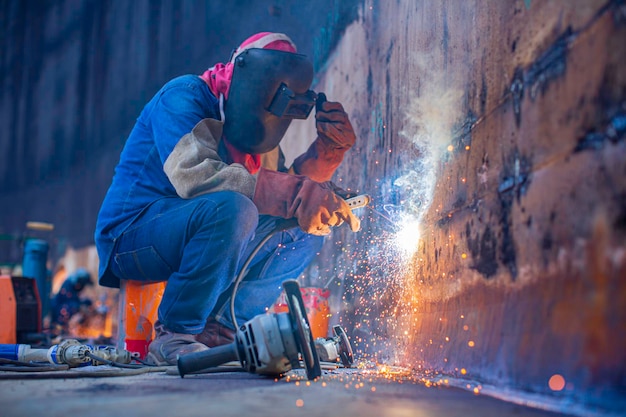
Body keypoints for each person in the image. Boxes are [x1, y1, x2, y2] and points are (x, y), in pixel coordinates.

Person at [95, 32, 360, 365]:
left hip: (201, 228)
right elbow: (198, 176)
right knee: (234, 208)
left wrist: (325, 156)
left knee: (302, 230)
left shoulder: (255, 138)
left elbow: (278, 200)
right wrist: (297, 193)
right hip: (131, 237)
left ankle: (222, 331)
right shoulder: (183, 98)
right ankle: (175, 334)